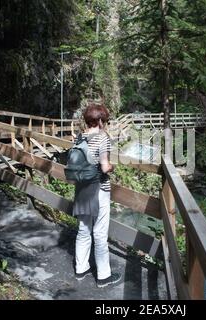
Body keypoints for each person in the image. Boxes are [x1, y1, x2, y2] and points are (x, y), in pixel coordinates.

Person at [73, 103, 122, 288]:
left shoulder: (79, 138)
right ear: (100, 121)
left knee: (83, 230)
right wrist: (112, 166)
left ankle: (81, 269)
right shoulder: (102, 138)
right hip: (99, 189)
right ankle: (103, 276)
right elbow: (104, 166)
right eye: (105, 120)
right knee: (100, 233)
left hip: (82, 189)